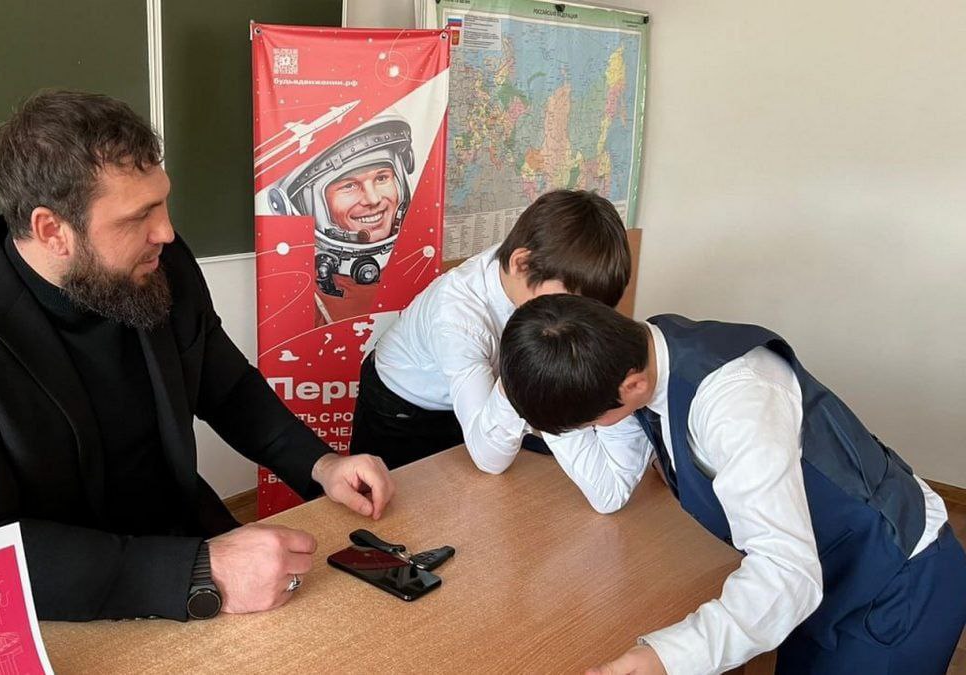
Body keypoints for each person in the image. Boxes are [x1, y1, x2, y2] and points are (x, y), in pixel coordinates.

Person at [0, 90, 394, 623]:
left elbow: (227, 389)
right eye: (139, 216)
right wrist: (198, 570)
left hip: (182, 538)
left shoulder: (161, 264)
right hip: (57, 600)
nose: (166, 231)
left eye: (162, 202)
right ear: (52, 230)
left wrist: (322, 464)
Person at [498, 294, 966, 674]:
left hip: (895, 584)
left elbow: (786, 574)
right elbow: (611, 488)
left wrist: (667, 657)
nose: (596, 430)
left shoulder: (736, 402)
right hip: (823, 572)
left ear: (633, 387)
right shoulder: (633, 353)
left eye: (592, 424)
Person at [349, 189, 631, 470]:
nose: (576, 321)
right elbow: (491, 460)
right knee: (393, 491)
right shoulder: (458, 318)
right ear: (522, 264)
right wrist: (523, 373)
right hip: (401, 408)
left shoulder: (537, 262)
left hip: (464, 391)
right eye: (567, 305)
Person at [266, 115, 415, 322]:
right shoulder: (297, 297)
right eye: (348, 186)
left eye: (382, 178)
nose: (373, 199)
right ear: (305, 205)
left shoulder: (418, 267)